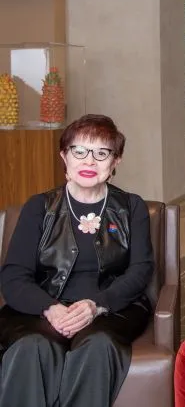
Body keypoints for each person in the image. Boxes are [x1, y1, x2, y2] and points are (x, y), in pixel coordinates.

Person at [0, 114, 154, 406]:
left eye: (102, 153)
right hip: (42, 309)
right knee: (32, 346)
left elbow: (140, 270)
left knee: (98, 345)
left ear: (116, 161)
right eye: (79, 151)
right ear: (64, 156)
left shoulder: (131, 207)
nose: (89, 161)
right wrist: (50, 308)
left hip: (111, 309)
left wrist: (97, 305)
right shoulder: (39, 207)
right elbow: (14, 275)